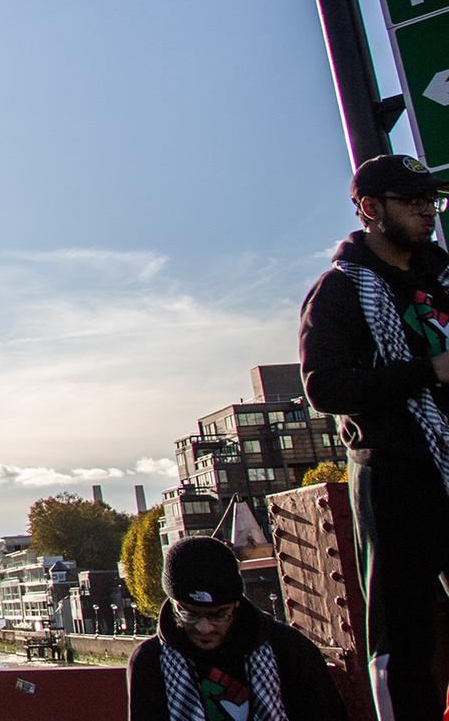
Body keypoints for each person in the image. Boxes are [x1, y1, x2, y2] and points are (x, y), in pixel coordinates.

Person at [299, 153, 449, 721]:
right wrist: (428, 372)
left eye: (430, 201)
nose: (426, 212)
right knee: (403, 634)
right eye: (411, 203)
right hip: (394, 473)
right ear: (369, 208)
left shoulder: (444, 279)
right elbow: (325, 388)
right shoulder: (339, 292)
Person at [126, 535, 347, 720]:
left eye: (219, 614)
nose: (204, 627)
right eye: (188, 613)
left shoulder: (289, 649)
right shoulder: (150, 661)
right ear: (173, 603)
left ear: (236, 604)